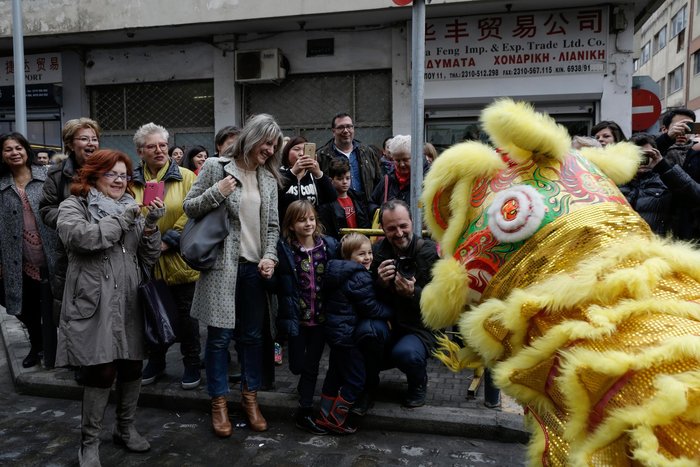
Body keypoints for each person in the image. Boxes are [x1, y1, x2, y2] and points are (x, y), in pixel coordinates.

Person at [55, 149, 164, 466]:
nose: (119, 180)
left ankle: (125, 429)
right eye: (112, 174)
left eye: (124, 175)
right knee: (101, 369)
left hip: (129, 297)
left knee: (132, 366)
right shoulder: (74, 206)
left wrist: (151, 227)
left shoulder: (132, 208)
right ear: (92, 175)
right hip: (93, 298)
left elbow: (147, 258)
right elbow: (83, 239)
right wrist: (125, 218)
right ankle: (88, 443)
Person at [183, 113, 282, 438]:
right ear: (252, 138)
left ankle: (250, 399)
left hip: (255, 271)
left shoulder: (268, 178)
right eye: (267, 143)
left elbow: (272, 227)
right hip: (221, 269)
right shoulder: (216, 167)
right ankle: (219, 403)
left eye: (274, 145)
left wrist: (269, 256)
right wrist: (219, 191)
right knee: (219, 340)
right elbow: (189, 207)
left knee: (252, 339)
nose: (270, 150)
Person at [131, 123, 202, 390]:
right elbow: (129, 212)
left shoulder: (185, 177)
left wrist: (168, 240)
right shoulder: (131, 180)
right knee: (151, 310)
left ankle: (191, 362)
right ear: (141, 151)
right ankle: (156, 361)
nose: (159, 150)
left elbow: (193, 211)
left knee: (186, 316)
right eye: (152, 146)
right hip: (145, 259)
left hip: (178, 257)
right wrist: (148, 242)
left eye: (162, 145)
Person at [316, 232, 393, 434]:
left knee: (334, 374)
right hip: (348, 336)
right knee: (356, 379)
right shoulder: (359, 276)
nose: (367, 258)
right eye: (361, 254)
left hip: (335, 334)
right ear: (349, 258)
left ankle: (323, 414)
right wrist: (391, 313)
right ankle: (337, 418)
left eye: (369, 253)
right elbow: (371, 308)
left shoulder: (337, 272)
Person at [367, 200, 439, 410]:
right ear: (383, 229)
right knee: (363, 335)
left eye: (403, 226)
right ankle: (367, 385)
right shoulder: (377, 253)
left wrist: (412, 293)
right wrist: (379, 282)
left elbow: (441, 303)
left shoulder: (429, 253)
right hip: (388, 324)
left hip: (419, 328)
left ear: (412, 223)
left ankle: (418, 384)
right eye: (391, 228)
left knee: (406, 353)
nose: (398, 233)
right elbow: (364, 296)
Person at [274, 200, 338, 435]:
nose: (308, 223)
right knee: (297, 366)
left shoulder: (328, 246)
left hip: (321, 319)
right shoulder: (285, 250)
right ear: (291, 225)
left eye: (311, 218)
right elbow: (277, 283)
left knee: (311, 365)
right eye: (302, 220)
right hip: (297, 318)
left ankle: (304, 410)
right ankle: (303, 389)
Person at [39, 118, 101, 348]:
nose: (91, 143)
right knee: (73, 307)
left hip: (105, 248)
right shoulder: (57, 175)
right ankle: (79, 358)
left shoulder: (109, 167)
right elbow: (46, 209)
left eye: (94, 138)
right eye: (84, 138)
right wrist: (72, 222)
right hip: (71, 252)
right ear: (70, 144)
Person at [0, 132, 58, 368]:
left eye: (18, 148)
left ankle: (59, 348)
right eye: (8, 149)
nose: (14, 153)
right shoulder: (2, 184)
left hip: (52, 251)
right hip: (18, 255)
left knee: (58, 302)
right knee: (26, 305)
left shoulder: (47, 175)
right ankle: (38, 345)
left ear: (26, 150)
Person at [317, 113, 381, 203]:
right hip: (336, 211)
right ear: (333, 131)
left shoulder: (367, 152)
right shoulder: (322, 156)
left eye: (349, 126)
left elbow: (378, 181)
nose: (346, 131)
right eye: (341, 127)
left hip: (365, 209)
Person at [278, 136, 337, 224]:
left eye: (305, 150)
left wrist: (318, 173)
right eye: (296, 149)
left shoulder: (313, 176)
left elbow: (332, 197)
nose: (301, 153)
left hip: (311, 227)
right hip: (286, 227)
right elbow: (275, 194)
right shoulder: (279, 174)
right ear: (287, 153)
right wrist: (293, 172)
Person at [318, 158, 371, 240]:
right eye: (340, 179)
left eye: (348, 178)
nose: (345, 182)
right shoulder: (327, 202)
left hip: (359, 241)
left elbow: (365, 222)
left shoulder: (358, 198)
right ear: (331, 180)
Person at [369, 135, 423, 213]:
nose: (402, 164)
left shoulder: (422, 181)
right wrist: (382, 212)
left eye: (405, 159)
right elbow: (371, 203)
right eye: (397, 160)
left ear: (414, 158)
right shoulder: (387, 180)